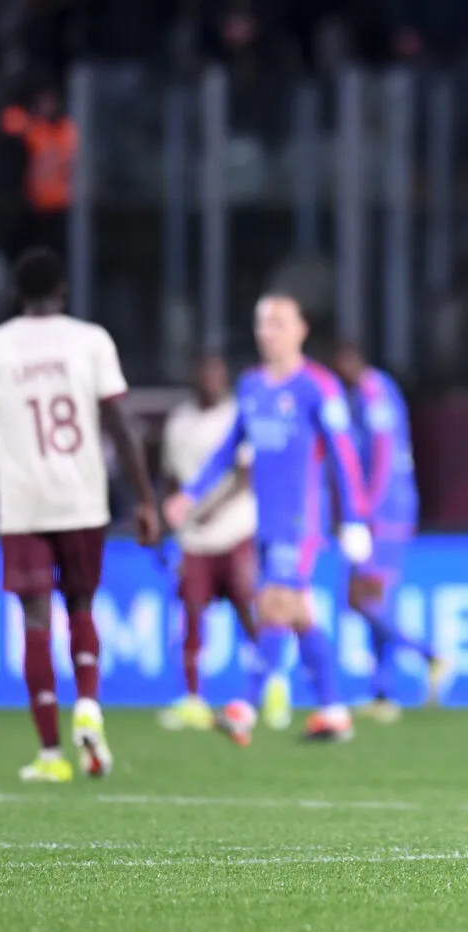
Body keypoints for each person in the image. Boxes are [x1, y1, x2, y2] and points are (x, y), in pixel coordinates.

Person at [0, 247, 159, 783]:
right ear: (63, 292)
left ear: (16, 296)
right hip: (82, 499)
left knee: (37, 620)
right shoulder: (90, 341)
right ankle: (88, 704)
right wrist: (144, 498)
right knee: (83, 605)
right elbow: (119, 422)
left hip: (24, 505)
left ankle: (50, 755)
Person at [163, 295, 372, 745]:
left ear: (301, 329)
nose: (267, 331)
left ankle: (244, 706)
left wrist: (354, 519)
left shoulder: (319, 386)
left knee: (274, 605)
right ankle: (334, 711)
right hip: (266, 519)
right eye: (261, 323)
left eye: (277, 322)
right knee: (299, 615)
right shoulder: (253, 386)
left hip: (303, 520)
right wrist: (190, 494)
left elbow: (343, 455)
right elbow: (228, 449)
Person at [330, 342, 451, 724]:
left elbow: (382, 453)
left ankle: (431, 655)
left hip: (385, 509)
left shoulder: (373, 391)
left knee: (360, 598)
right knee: (372, 598)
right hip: (385, 507)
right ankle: (383, 692)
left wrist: (366, 507)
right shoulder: (371, 391)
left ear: (351, 359)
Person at [157, 353, 261, 732]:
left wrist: (209, 509)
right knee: (192, 612)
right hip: (193, 537)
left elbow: (244, 475)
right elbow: (170, 478)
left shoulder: (237, 415)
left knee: (248, 609)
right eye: (205, 375)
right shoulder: (179, 421)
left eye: (217, 375)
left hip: (234, 530)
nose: (211, 382)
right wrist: (170, 521)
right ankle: (193, 698)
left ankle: (270, 686)